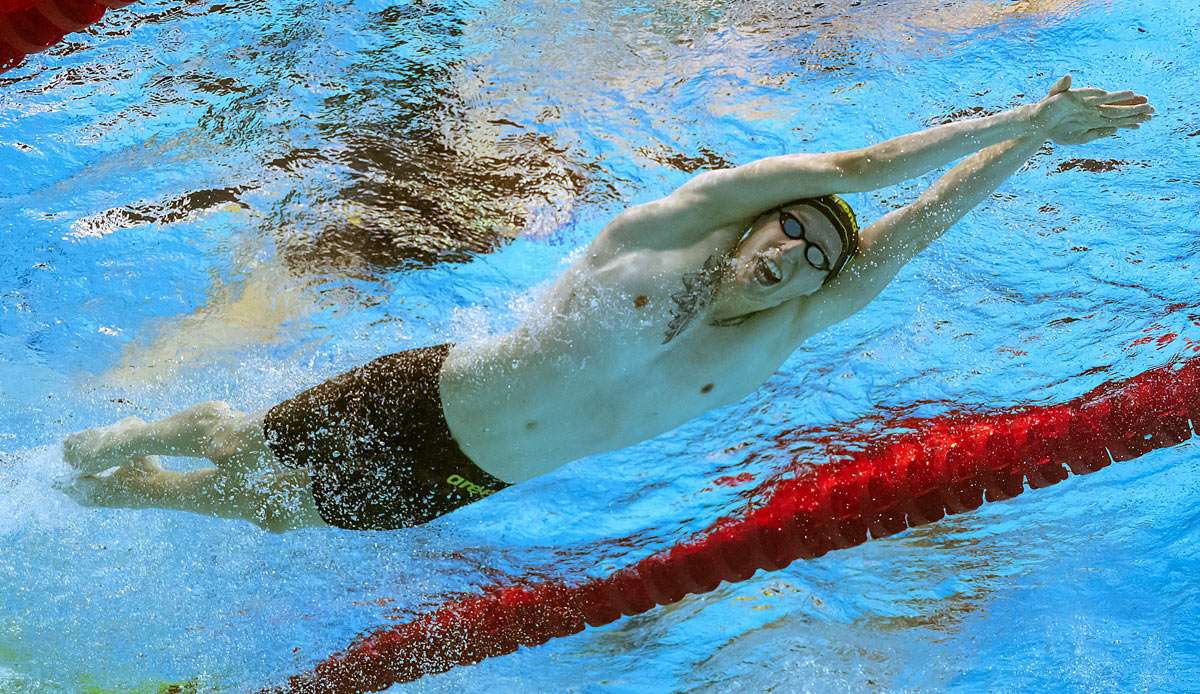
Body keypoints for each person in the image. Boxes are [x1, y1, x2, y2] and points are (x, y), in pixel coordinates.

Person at [62, 75, 1153, 532]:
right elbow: (864, 170)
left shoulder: (778, 334)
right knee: (249, 441)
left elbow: (894, 246)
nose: (796, 257)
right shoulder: (662, 236)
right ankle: (172, 430)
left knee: (266, 509)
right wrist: (1019, 115)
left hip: (468, 474)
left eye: (819, 260)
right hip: (422, 400)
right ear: (756, 222)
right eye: (792, 229)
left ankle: (144, 490)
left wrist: (1023, 154)